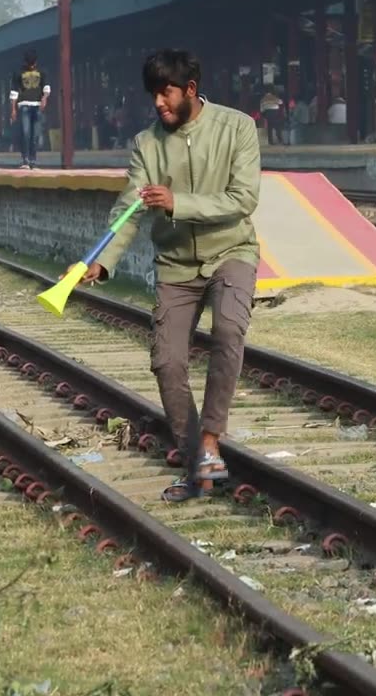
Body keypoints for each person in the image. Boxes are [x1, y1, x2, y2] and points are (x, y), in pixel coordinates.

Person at [69, 49, 260, 503]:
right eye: (153, 94)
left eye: (166, 92)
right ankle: (198, 463)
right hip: (175, 266)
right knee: (167, 361)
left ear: (190, 91)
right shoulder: (146, 145)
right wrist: (103, 259)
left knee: (230, 329)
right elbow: (129, 210)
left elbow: (243, 199)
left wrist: (180, 203)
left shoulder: (238, 128)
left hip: (232, 251)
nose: (158, 102)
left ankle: (211, 439)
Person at [10, 49, 50, 170]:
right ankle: (25, 160)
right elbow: (14, 92)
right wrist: (13, 109)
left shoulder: (42, 72)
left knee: (35, 135)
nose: (32, 65)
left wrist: (44, 99)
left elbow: (46, 88)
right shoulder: (18, 73)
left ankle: (33, 160)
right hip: (24, 105)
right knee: (26, 133)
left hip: (37, 105)